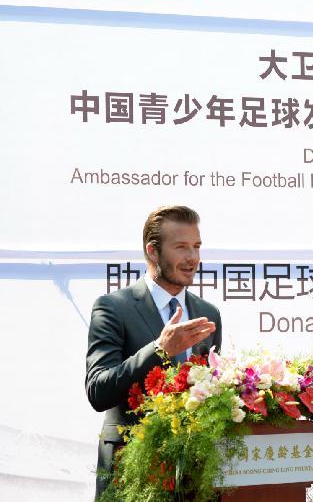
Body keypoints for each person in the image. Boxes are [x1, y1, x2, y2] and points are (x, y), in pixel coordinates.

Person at [84, 205, 222, 498]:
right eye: (181, 247)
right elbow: (98, 391)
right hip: (131, 472)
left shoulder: (207, 314)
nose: (193, 258)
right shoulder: (112, 308)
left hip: (194, 477)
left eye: (197, 247)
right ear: (152, 251)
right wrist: (160, 350)